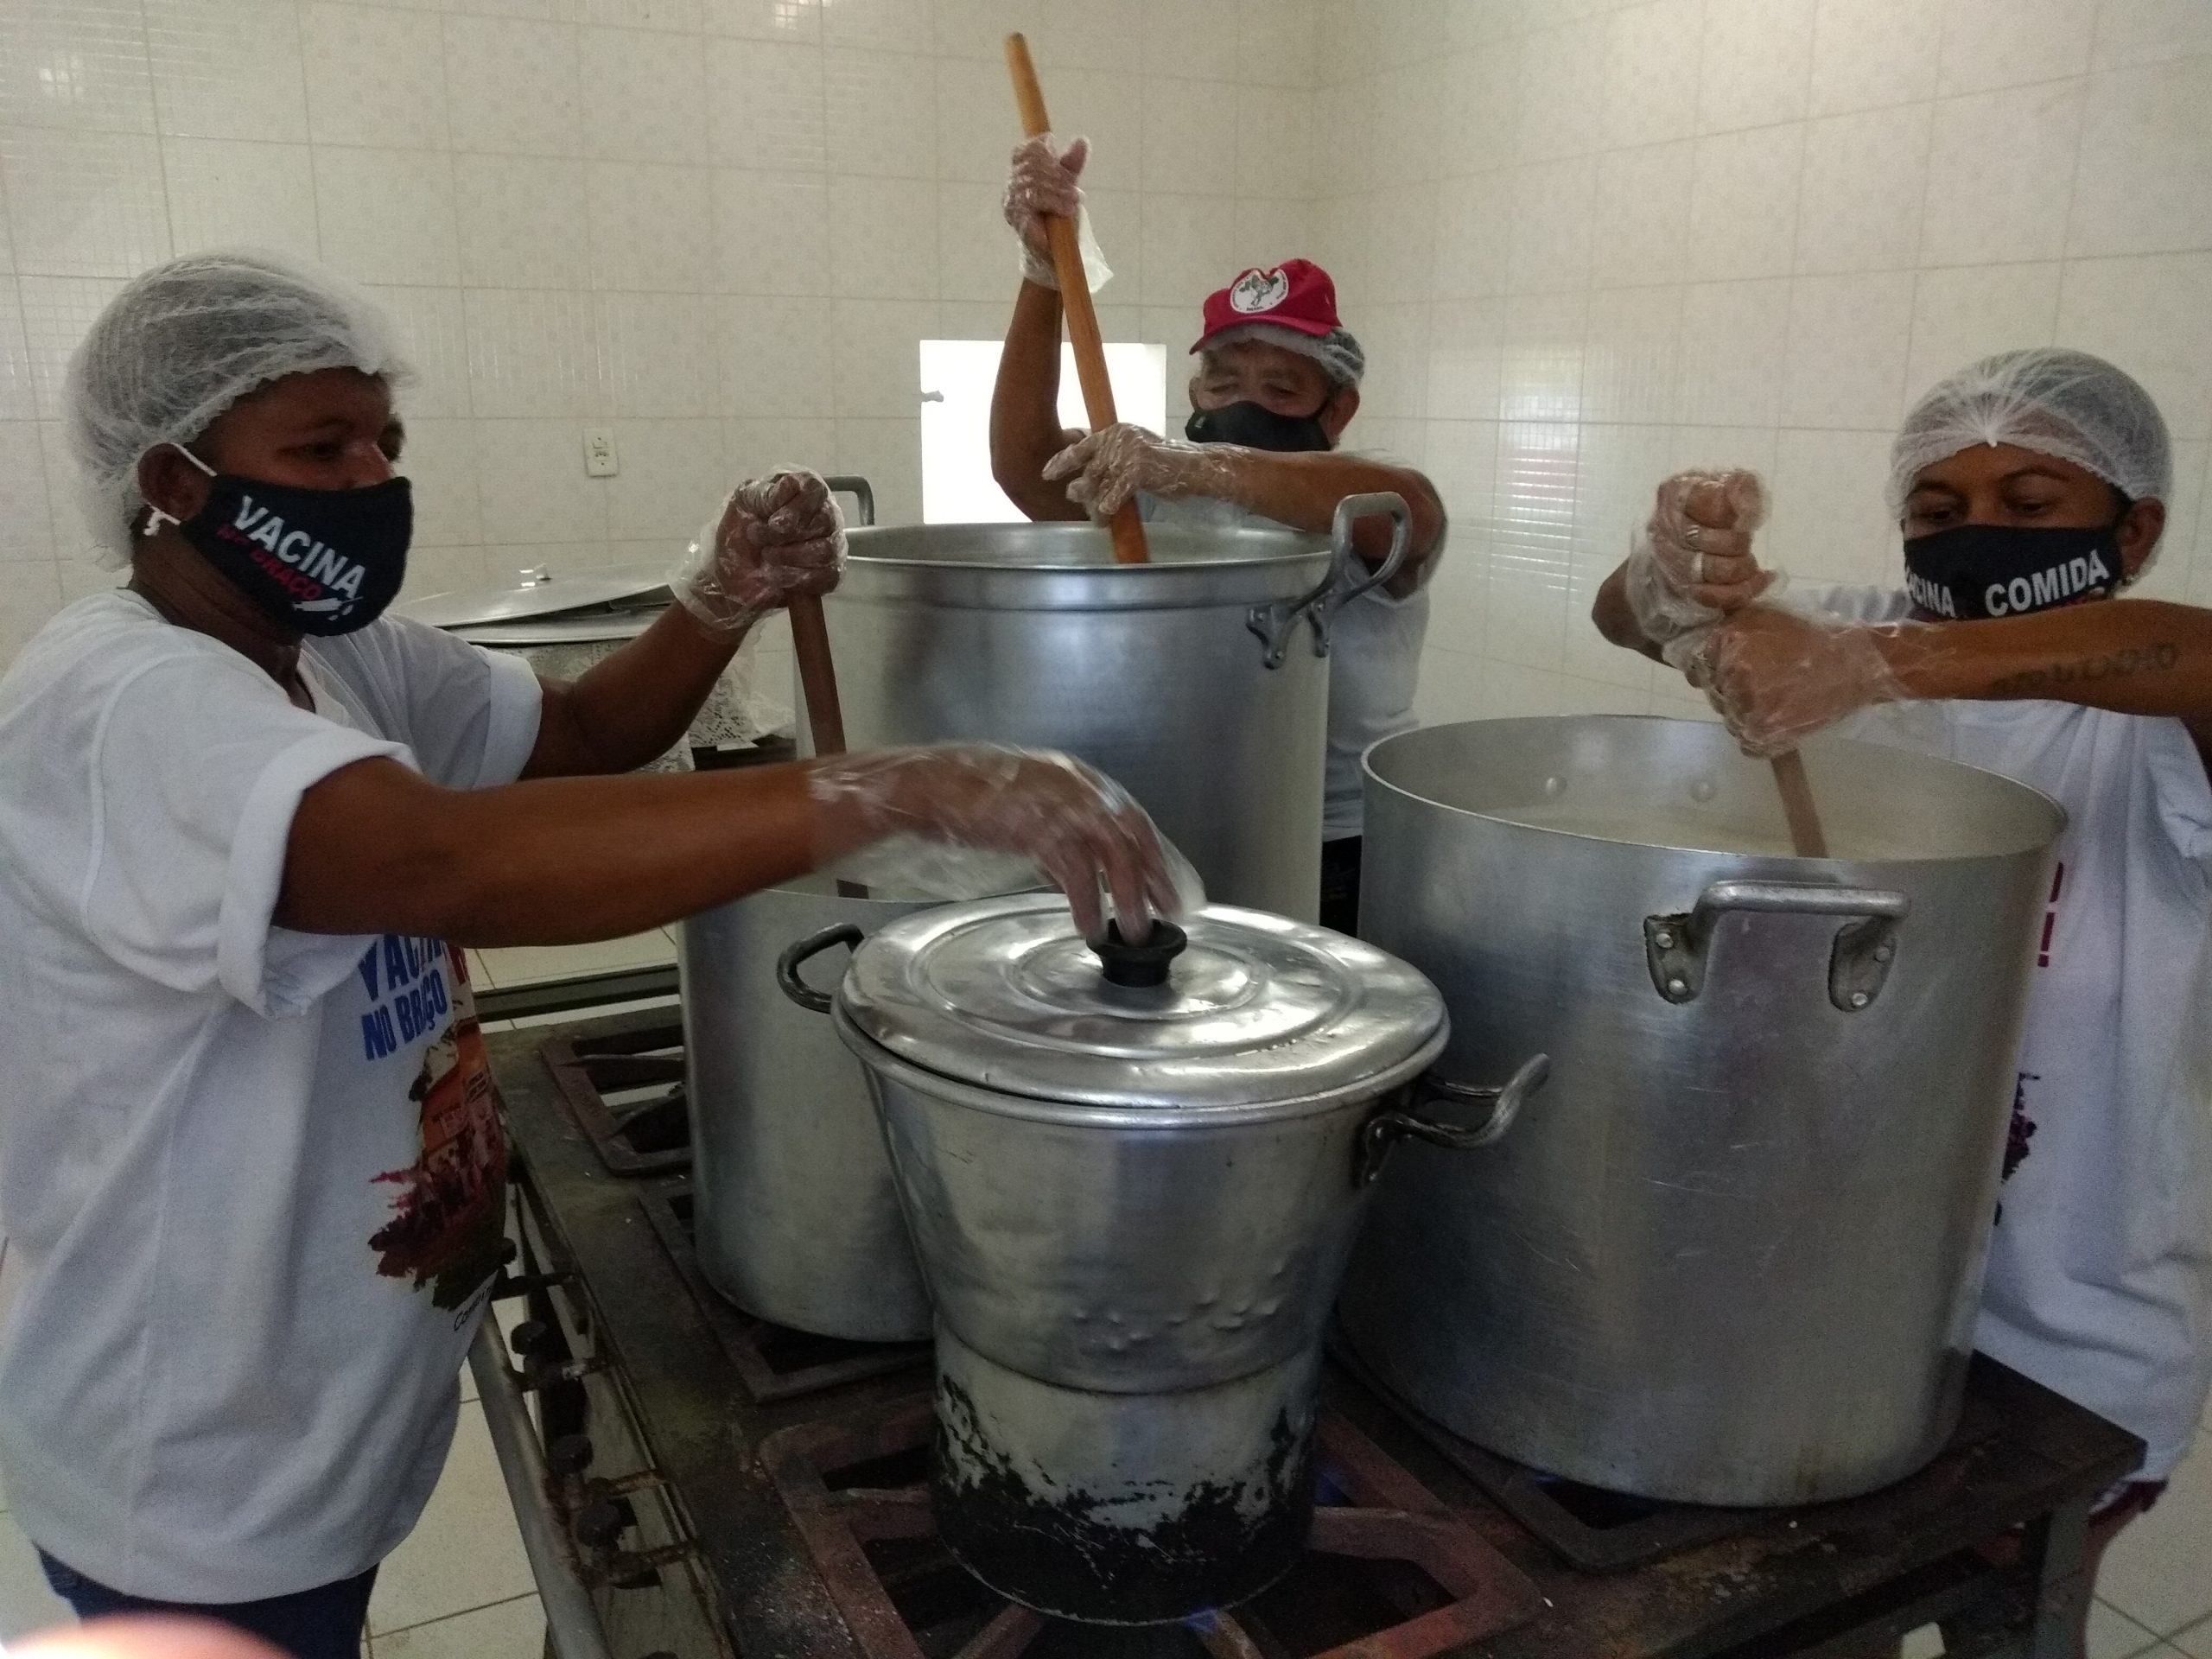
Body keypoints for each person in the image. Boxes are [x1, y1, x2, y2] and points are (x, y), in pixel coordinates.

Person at [0, 251, 1184, 1659]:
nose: (373, 477)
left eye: (386, 438)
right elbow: (449, 860)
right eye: (321, 446)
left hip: (312, 1415)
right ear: (174, 479)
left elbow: (579, 741)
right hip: (187, 1463)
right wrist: (893, 787)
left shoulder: (331, 650)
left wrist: (723, 590)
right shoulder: (122, 701)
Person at [1592, 348, 2212, 1651]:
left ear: (2136, 527)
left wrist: (1881, 667)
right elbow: (1628, 616)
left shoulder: (2145, 718)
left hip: (2062, 1335)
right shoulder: (1863, 619)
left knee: (2005, 1619)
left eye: (2034, 508)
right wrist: (1668, 579)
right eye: (1939, 513)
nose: (1978, 537)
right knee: (1828, 1617)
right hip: (1825, 1299)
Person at [988, 135, 1448, 933]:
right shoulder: (1158, 502)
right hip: (1187, 833)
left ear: (1337, 410)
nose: (1245, 402)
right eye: (1223, 381)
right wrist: (1042, 273)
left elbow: (1409, 509)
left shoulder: (1358, 502)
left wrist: (1204, 466)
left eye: (1281, 386)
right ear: (1193, 387)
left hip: (1344, 856)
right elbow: (1026, 464)